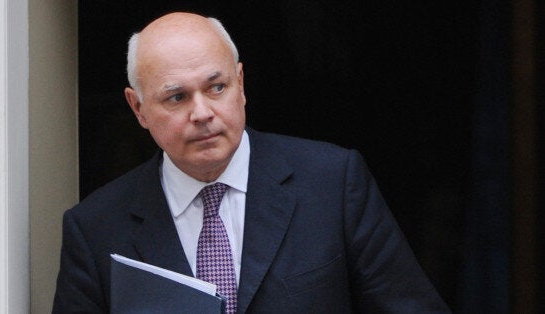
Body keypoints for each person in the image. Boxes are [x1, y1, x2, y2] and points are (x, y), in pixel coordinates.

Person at [53, 12, 450, 313]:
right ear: (137, 108)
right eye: (177, 98)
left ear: (240, 84)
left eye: (217, 87)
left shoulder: (331, 183)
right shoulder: (95, 229)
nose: (202, 112)